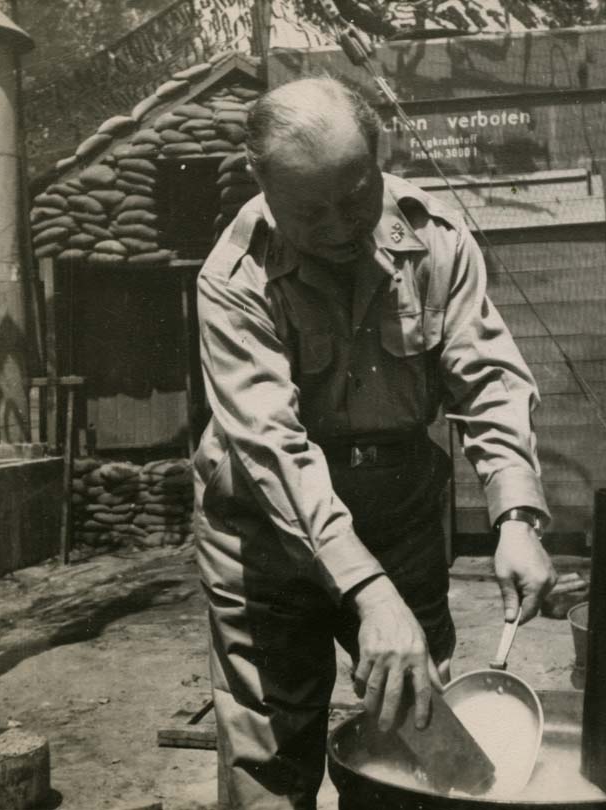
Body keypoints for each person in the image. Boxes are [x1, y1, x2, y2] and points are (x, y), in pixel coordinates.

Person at [194, 76, 557, 809]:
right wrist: (366, 591)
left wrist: (516, 518)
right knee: (269, 765)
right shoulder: (232, 278)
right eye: (310, 210)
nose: (337, 226)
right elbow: (273, 450)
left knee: (418, 755)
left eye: (355, 197)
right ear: (262, 182)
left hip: (400, 519)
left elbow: (486, 379)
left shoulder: (439, 243)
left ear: (380, 157)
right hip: (266, 535)